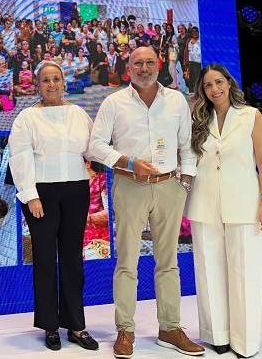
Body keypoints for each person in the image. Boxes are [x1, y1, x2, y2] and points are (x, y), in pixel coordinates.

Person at [89, 46, 205, 358]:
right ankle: (125, 330)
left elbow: (187, 145)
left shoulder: (176, 100)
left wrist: (186, 182)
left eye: (150, 62)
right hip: (130, 186)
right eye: (138, 63)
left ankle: (170, 328)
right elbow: (95, 145)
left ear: (158, 65)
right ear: (128, 67)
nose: (144, 68)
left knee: (168, 263)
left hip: (169, 187)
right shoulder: (114, 102)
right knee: (127, 262)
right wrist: (128, 162)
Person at [8, 62, 99, 352]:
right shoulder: (27, 118)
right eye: (45, 80)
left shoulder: (78, 114)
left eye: (56, 79)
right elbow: (20, 156)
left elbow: (93, 147)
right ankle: (50, 325)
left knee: (73, 259)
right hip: (42, 194)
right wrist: (30, 195)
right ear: (37, 85)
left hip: (76, 191)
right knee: (45, 259)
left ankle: (76, 325)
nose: (51, 84)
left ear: (63, 83)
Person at [186, 63, 262, 358]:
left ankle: (245, 341)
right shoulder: (199, 120)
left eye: (219, 82)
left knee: (245, 271)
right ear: (203, 91)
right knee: (208, 270)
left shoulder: (251, 116)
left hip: (244, 203)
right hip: (204, 203)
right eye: (208, 85)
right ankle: (217, 335)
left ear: (229, 83)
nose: (215, 89)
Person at [183, 26, 201, 96]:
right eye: (193, 31)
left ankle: (198, 92)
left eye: (196, 31)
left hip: (199, 62)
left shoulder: (201, 39)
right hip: (190, 62)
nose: (194, 33)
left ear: (198, 32)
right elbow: (186, 51)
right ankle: (191, 92)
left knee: (198, 77)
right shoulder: (189, 40)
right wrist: (185, 61)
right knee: (191, 77)